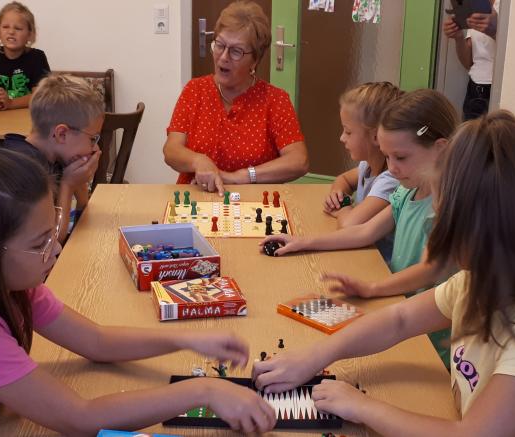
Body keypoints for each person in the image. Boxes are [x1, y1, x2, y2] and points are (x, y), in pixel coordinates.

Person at [0, 144, 277, 435]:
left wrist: (190, 340)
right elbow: (79, 418)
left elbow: (98, 342)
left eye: (53, 232)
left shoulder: (10, 284)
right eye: (38, 243)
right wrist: (203, 389)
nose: (56, 249)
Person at [252, 111, 515, 436]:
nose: (437, 234)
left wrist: (362, 406)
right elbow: (400, 319)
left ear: (485, 233)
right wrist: (315, 356)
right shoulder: (478, 280)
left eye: (445, 222)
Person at [262, 89, 460, 364]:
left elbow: (429, 270)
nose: (391, 168)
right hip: (396, 309)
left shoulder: (446, 205)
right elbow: (365, 232)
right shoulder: (407, 191)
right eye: (387, 157)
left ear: (440, 148)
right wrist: (303, 242)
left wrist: (372, 288)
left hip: (426, 337)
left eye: (400, 158)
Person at [163, 0, 308, 194]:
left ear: (255, 60)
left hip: (252, 203)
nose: (223, 57)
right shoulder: (195, 90)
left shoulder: (275, 100)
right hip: (194, 199)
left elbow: (299, 161)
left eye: (236, 51)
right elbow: (171, 150)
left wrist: (241, 176)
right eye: (220, 45)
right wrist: (198, 160)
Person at [0, 75, 102, 243]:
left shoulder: (56, 156)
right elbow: (49, 244)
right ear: (62, 134)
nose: (94, 148)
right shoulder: (26, 171)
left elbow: (84, 213)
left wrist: (79, 181)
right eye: (92, 139)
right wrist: (68, 186)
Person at [323, 82, 403, 259]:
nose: (342, 138)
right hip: (361, 254)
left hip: (379, 265)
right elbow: (343, 179)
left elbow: (349, 225)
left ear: (375, 137)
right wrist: (338, 193)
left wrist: (342, 207)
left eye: (348, 132)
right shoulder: (367, 165)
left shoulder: (389, 179)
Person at [0, 1, 51, 111]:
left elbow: (42, 97)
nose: (11, 32)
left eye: (18, 28)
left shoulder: (37, 57)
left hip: (24, 119)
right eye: (5, 27)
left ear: (30, 34)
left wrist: (11, 103)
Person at [443, 0, 499, 120]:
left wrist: (496, 31)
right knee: (469, 138)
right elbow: (468, 62)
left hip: (499, 89)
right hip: (475, 90)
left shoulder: (513, 8)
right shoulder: (477, 5)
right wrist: (458, 37)